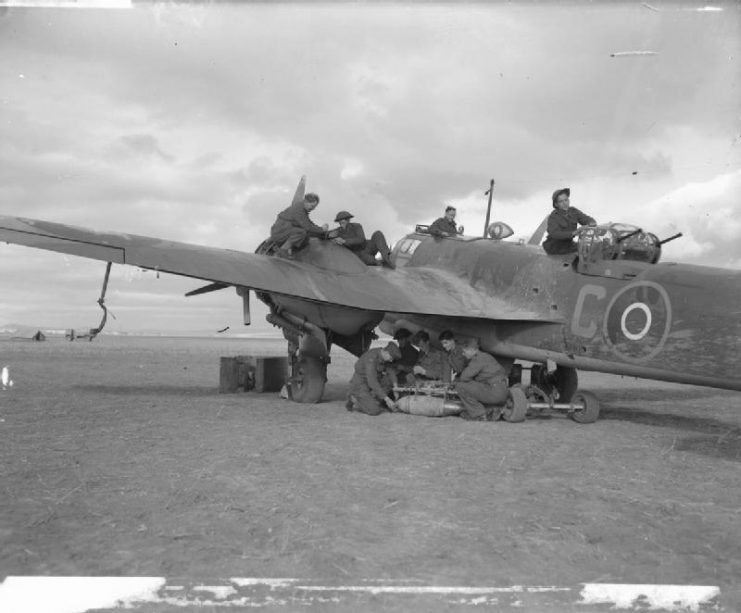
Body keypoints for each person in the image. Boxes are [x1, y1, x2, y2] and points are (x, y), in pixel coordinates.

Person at [453, 338, 509, 421]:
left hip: (494, 392)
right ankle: (492, 410)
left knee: (460, 386)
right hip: (503, 392)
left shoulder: (478, 359)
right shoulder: (486, 356)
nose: (463, 354)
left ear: (472, 350)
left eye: (464, 351)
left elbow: (464, 377)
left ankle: (479, 414)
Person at [346, 342, 402, 415]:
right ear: (386, 352)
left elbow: (390, 371)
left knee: (388, 380)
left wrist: (395, 387)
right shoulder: (371, 358)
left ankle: (370, 399)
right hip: (360, 384)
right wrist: (387, 399)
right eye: (391, 358)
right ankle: (354, 399)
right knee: (374, 410)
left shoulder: (384, 357)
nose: (391, 360)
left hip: (372, 383)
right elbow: (372, 382)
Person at [269, 192, 329, 258]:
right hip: (279, 232)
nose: (313, 209)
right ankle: (283, 251)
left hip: (284, 231)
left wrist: (321, 231)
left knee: (305, 236)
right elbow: (307, 226)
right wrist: (322, 229)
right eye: (312, 206)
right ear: (305, 201)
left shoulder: (302, 210)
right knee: (301, 232)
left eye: (314, 207)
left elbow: (309, 223)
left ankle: (290, 251)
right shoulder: (298, 210)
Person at [542, 188, 596, 255]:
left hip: (568, 244)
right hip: (555, 246)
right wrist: (574, 233)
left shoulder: (573, 211)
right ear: (556, 204)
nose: (565, 203)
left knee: (591, 249)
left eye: (566, 200)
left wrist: (591, 223)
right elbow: (555, 234)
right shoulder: (553, 217)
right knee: (581, 254)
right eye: (561, 201)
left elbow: (586, 218)